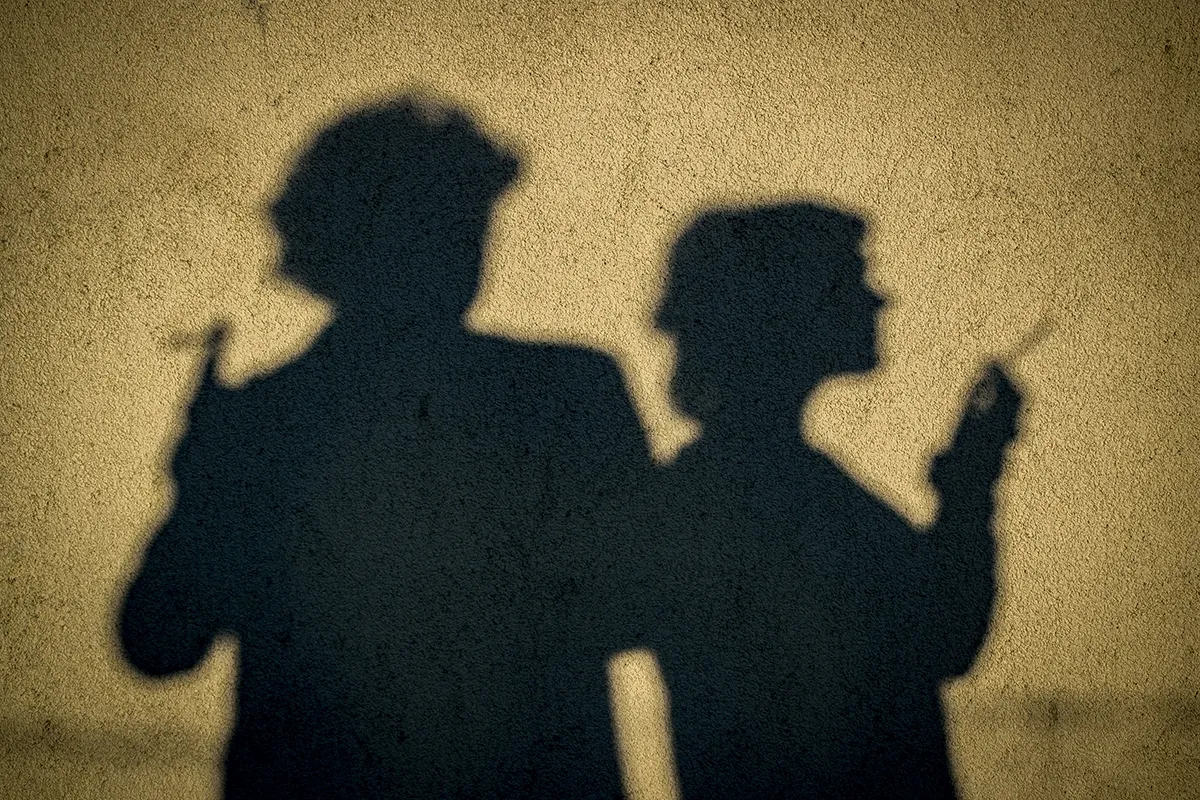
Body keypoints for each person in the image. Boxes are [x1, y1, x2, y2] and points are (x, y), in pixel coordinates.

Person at [120, 96, 649, 799]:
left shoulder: (264, 417)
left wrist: (206, 486)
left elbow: (159, 644)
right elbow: (646, 603)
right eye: (451, 225)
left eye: (470, 224)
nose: (468, 250)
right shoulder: (571, 389)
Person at [638, 203, 1023, 798]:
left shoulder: (721, 487)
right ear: (785, 309)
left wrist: (972, 473)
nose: (879, 300)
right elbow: (945, 637)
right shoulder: (776, 493)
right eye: (851, 279)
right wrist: (970, 478)